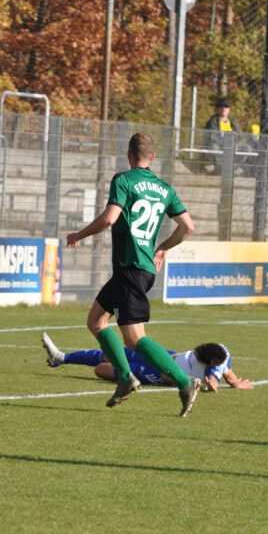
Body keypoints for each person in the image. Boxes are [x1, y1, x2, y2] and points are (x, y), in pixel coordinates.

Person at [65, 132, 201, 417]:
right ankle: (126, 378)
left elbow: (109, 218)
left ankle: (183, 382)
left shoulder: (124, 180)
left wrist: (78, 234)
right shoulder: (166, 189)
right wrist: (162, 248)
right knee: (96, 321)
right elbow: (187, 227)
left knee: (135, 339)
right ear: (152, 157)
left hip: (131, 268)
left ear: (129, 156)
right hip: (140, 269)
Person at [42, 333, 254, 392]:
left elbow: (217, 375)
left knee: (102, 369)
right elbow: (226, 368)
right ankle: (61, 358)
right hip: (165, 355)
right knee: (108, 353)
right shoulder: (220, 352)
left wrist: (214, 382)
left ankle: (62, 358)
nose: (195, 351)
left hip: (155, 373)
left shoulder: (202, 375)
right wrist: (234, 382)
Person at [203, 98, 240, 174]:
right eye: (221, 106)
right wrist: (227, 143)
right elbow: (213, 137)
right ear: (218, 109)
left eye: (226, 107)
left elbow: (241, 136)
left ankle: (233, 167)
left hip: (232, 145)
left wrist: (237, 143)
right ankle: (220, 168)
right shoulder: (213, 121)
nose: (223, 109)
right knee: (214, 147)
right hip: (220, 145)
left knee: (247, 148)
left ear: (229, 109)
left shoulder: (233, 122)